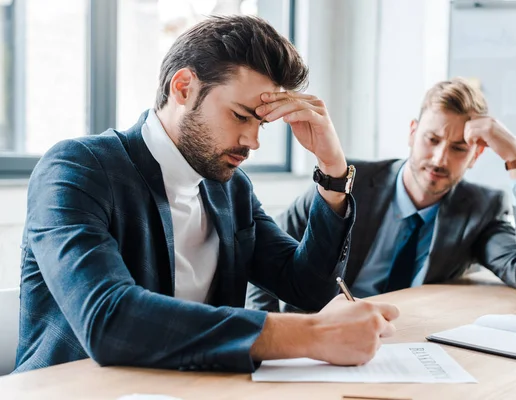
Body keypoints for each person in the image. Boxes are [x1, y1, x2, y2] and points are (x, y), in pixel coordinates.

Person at [15, 15, 399, 374]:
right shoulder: (76, 169)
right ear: (183, 88)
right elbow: (109, 320)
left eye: (262, 123)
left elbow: (308, 287)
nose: (253, 141)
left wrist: (332, 171)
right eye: (240, 116)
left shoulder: (230, 189)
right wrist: (312, 336)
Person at [247, 77, 516, 312]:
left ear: (476, 156)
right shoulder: (346, 180)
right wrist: (269, 339)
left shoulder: (480, 209)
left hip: (407, 341)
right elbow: (262, 263)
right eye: (432, 139)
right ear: (412, 133)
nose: (440, 159)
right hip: (317, 333)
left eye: (458, 148)